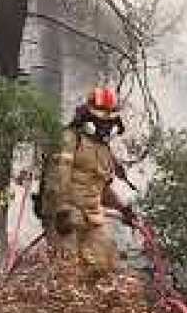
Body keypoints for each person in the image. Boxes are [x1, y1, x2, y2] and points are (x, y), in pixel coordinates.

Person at [38, 86, 137, 275]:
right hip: (65, 218)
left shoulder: (104, 151)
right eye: (101, 120)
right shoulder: (69, 139)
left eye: (110, 121)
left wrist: (123, 208)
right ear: (89, 118)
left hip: (92, 218)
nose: (105, 126)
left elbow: (102, 190)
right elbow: (58, 177)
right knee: (67, 274)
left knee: (104, 268)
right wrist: (61, 210)